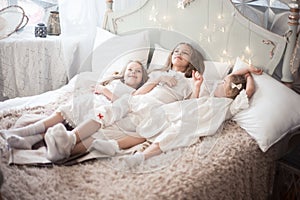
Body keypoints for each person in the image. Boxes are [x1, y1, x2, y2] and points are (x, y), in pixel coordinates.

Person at [43, 42, 206, 162]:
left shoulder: (189, 82)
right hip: (135, 101)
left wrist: (197, 87)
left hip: (152, 110)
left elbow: (191, 105)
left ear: (191, 61)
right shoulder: (158, 73)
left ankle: (67, 152)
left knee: (105, 135)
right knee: (103, 115)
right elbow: (137, 93)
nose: (179, 53)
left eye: (185, 53)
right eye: (176, 50)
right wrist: (158, 80)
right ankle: (71, 137)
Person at [88, 64, 263, 168]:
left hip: (194, 124)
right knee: (152, 122)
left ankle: (139, 157)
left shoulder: (230, 106)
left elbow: (248, 90)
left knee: (170, 136)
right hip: (180, 110)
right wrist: (197, 86)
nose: (221, 82)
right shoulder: (209, 96)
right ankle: (112, 145)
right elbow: (194, 101)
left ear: (231, 91)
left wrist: (248, 73)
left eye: (224, 83)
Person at [0, 60, 148, 150]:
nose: (133, 72)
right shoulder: (115, 81)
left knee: (66, 127)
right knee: (64, 113)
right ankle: (27, 136)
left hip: (103, 112)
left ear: (142, 79)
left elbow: (122, 104)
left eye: (138, 71)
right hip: (93, 101)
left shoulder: (134, 93)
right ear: (123, 72)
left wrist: (104, 91)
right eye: (130, 69)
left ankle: (27, 136)